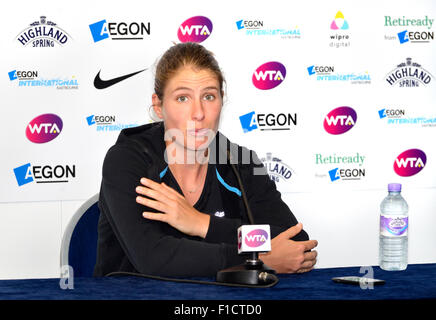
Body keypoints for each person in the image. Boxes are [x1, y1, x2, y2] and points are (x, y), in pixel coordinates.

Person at [93, 42, 318, 278]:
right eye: (182, 98)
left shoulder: (242, 162)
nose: (198, 113)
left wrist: (202, 224)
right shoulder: (127, 160)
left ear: (222, 100)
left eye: (209, 96)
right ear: (158, 106)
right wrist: (258, 260)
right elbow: (153, 258)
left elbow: (296, 242)